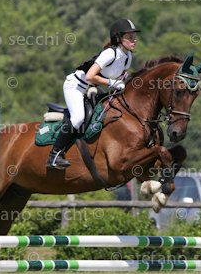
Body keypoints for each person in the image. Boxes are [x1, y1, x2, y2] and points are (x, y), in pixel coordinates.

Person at [47, 18, 140, 169]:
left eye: (134, 36)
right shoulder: (110, 53)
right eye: (130, 37)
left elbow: (119, 77)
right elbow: (90, 76)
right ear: (118, 38)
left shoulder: (128, 57)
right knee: (78, 119)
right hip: (76, 86)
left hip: (93, 89)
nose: (134, 40)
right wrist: (111, 83)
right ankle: (54, 155)